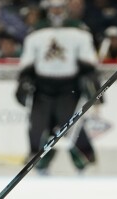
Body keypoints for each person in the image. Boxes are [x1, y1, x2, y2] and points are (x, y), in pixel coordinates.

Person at [16, 0, 100, 174]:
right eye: (53, 8)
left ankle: (84, 161)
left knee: (71, 126)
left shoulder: (78, 29)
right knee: (39, 126)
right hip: (42, 87)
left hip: (69, 88)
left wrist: (92, 80)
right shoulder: (37, 30)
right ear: (47, 10)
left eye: (59, 7)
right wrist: (24, 80)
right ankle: (39, 163)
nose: (56, 11)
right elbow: (28, 62)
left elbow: (88, 62)